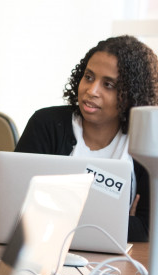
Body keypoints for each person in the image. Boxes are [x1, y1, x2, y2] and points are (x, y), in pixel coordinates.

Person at [14, 35, 158, 242]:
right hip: (44, 252)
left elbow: (146, 230)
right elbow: (18, 211)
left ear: (133, 93)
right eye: (88, 77)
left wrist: (56, 215)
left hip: (115, 266)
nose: (92, 91)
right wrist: (120, 222)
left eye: (108, 84)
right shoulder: (46, 124)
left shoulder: (146, 141)